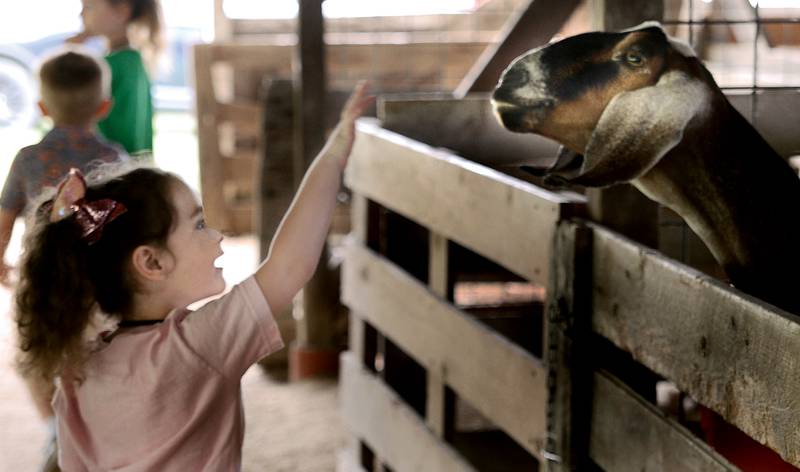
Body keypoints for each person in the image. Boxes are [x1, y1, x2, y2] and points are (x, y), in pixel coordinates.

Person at [14, 82, 372, 470]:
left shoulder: (77, 370)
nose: (218, 236)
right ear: (152, 263)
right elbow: (290, 265)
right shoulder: (198, 345)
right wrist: (335, 152)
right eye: (199, 225)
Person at [0, 48, 127, 286]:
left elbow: (4, 217)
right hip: (100, 278)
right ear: (104, 107)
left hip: (41, 274)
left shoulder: (28, 159)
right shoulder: (114, 159)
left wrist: (0, 263)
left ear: (42, 108)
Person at [67, 0, 164, 157]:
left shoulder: (120, 64)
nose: (81, 14)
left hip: (115, 172)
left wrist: (68, 55)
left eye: (89, 7)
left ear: (122, 11)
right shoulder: (125, 60)